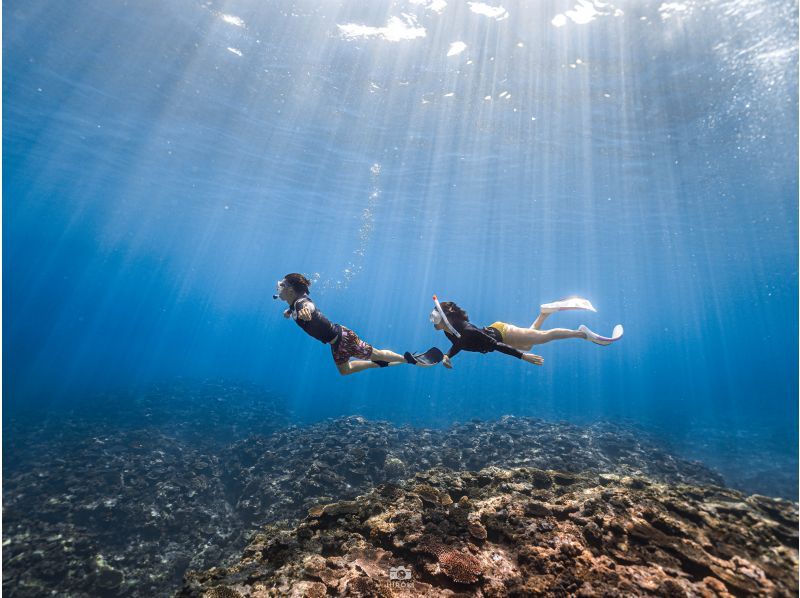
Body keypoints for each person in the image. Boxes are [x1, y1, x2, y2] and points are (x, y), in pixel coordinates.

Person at [275, 273, 406, 376]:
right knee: (345, 371)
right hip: (335, 343)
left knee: (378, 354)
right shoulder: (294, 305)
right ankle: (376, 364)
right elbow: (295, 307)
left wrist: (306, 311)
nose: (279, 287)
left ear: (291, 291)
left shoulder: (301, 304)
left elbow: (309, 306)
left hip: (344, 338)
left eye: (282, 285)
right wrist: (288, 311)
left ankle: (407, 359)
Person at [431, 298, 621, 369]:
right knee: (530, 341)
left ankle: (582, 333)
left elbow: (495, 345)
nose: (432, 318)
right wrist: (448, 355)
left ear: (447, 317)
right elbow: (459, 344)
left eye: (436, 315)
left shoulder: (467, 330)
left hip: (504, 333)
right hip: (498, 332)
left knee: (545, 337)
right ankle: (544, 312)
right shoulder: (450, 332)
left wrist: (523, 357)